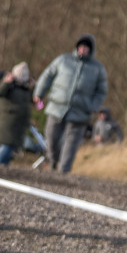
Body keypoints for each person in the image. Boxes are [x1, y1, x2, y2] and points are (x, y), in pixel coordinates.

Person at [33, 33, 108, 173]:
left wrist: (92, 106)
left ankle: (64, 171)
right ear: (77, 47)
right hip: (57, 107)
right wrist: (39, 93)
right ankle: (53, 161)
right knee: (51, 137)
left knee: (71, 144)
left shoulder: (97, 69)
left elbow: (101, 91)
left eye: (87, 48)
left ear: (91, 50)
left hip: (80, 112)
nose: (83, 49)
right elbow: (47, 75)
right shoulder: (63, 60)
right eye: (81, 46)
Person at [0, 62, 34, 166]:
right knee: (6, 148)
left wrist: (34, 88)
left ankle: (1, 168)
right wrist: (6, 82)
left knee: (10, 150)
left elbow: (37, 103)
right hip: (8, 124)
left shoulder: (25, 90)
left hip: (19, 125)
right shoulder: (9, 86)